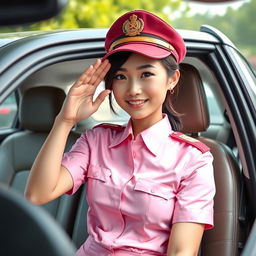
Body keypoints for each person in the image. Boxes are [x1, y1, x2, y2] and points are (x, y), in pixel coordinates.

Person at [25, 9, 215, 256]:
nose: (133, 89)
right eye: (121, 77)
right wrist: (65, 120)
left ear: (172, 79)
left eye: (146, 74)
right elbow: (38, 194)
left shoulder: (194, 160)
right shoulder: (96, 140)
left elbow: (181, 252)